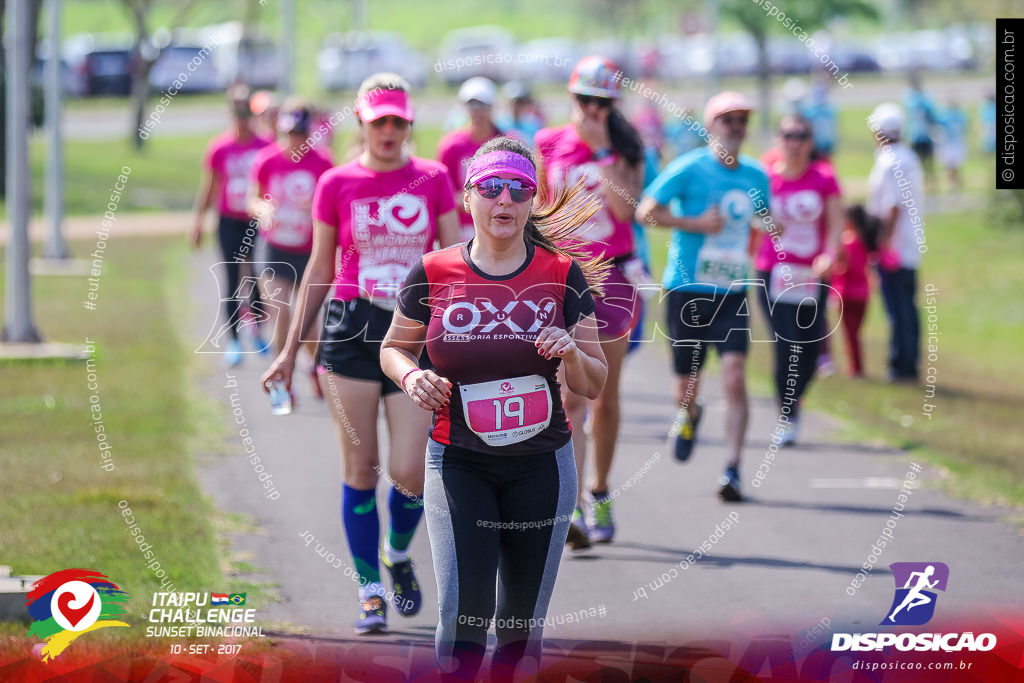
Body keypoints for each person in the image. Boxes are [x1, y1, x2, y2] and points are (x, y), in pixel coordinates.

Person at [379, 137, 608, 680]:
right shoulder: (433, 271)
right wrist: (412, 377)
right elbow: (392, 347)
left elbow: (594, 380)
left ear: (532, 200)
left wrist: (571, 350)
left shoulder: (561, 273)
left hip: (542, 465)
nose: (504, 200)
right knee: (464, 617)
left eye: (519, 189)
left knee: (519, 625)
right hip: (458, 461)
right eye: (490, 188)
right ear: (468, 198)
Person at [260, 74, 461, 634]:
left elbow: (451, 259)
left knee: (409, 474)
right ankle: (369, 588)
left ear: (409, 124)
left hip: (414, 331)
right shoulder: (335, 181)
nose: (390, 131)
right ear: (363, 124)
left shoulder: (434, 178)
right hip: (350, 329)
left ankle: (397, 555)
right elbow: (320, 270)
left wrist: (462, 328)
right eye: (380, 121)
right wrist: (288, 350)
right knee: (360, 468)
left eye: (398, 121)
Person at [636, 91, 771, 503]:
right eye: (727, 120)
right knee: (687, 387)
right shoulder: (689, 167)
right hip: (687, 289)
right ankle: (690, 413)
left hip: (732, 290)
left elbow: (762, 219)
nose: (735, 127)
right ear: (711, 126)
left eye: (742, 120)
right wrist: (693, 222)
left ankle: (732, 469)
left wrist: (772, 225)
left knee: (734, 377)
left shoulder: (755, 175)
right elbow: (645, 211)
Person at [535, 55, 645, 545]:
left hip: (615, 280)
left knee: (604, 396)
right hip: (566, 277)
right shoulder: (548, 143)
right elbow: (538, 210)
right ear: (571, 98)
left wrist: (603, 153)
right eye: (584, 101)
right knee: (570, 396)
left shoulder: (626, 148)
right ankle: (573, 505)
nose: (592, 111)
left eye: (601, 104)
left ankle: (601, 489)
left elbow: (626, 209)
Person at [754, 114, 842, 446]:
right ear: (779, 139)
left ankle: (796, 398)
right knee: (784, 343)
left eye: (801, 136)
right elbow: (750, 215)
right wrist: (763, 223)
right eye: (788, 136)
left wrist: (830, 255)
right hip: (773, 272)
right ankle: (787, 414)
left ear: (810, 141)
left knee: (808, 346)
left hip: (811, 274)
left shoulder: (824, 177)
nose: (794, 142)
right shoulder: (764, 176)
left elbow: (836, 223)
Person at [247, 100, 334, 397]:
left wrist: (316, 210)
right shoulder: (267, 160)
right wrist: (263, 209)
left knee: (309, 322)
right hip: (275, 247)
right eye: (289, 134)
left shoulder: (323, 163)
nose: (294, 141)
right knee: (280, 311)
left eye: (299, 134)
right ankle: (282, 379)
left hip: (310, 251)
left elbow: (334, 205)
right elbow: (253, 199)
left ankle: (316, 368)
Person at [192, 85, 274, 366]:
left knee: (256, 277)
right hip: (228, 221)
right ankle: (235, 340)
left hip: (256, 221)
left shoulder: (265, 146)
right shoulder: (220, 148)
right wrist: (198, 222)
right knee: (230, 278)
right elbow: (209, 186)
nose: (241, 120)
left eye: (245, 113)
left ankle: (259, 331)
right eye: (236, 113)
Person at [867, 103, 925, 383]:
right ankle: (907, 361)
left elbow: (893, 206)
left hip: (896, 247)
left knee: (898, 307)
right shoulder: (906, 157)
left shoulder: (891, 161)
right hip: (907, 243)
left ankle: (903, 364)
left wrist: (882, 242)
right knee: (906, 305)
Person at [436, 77, 506, 242]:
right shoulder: (451, 146)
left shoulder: (507, 143)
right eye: (471, 105)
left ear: (492, 107)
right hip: (462, 230)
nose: (477, 111)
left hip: (498, 226)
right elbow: (443, 194)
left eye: (482, 105)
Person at [832, 205, 879, 378]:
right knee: (856, 332)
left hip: (846, 293)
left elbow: (844, 266)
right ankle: (857, 366)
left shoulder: (847, 241)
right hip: (863, 293)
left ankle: (855, 368)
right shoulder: (866, 240)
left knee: (849, 333)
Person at [903, 72, 940, 188]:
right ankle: (920, 188)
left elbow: (932, 116)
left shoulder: (925, 97)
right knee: (915, 165)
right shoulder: (908, 97)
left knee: (929, 165)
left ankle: (932, 188)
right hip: (914, 136)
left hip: (926, 136)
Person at [499, 81, 545, 145]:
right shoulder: (498, 124)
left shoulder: (534, 124)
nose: (516, 106)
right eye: (513, 102)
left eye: (520, 103)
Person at [938, 98, 968, 194]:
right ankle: (954, 186)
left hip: (954, 144)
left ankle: (955, 186)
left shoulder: (955, 116)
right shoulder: (950, 116)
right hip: (952, 144)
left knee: (953, 168)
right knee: (952, 168)